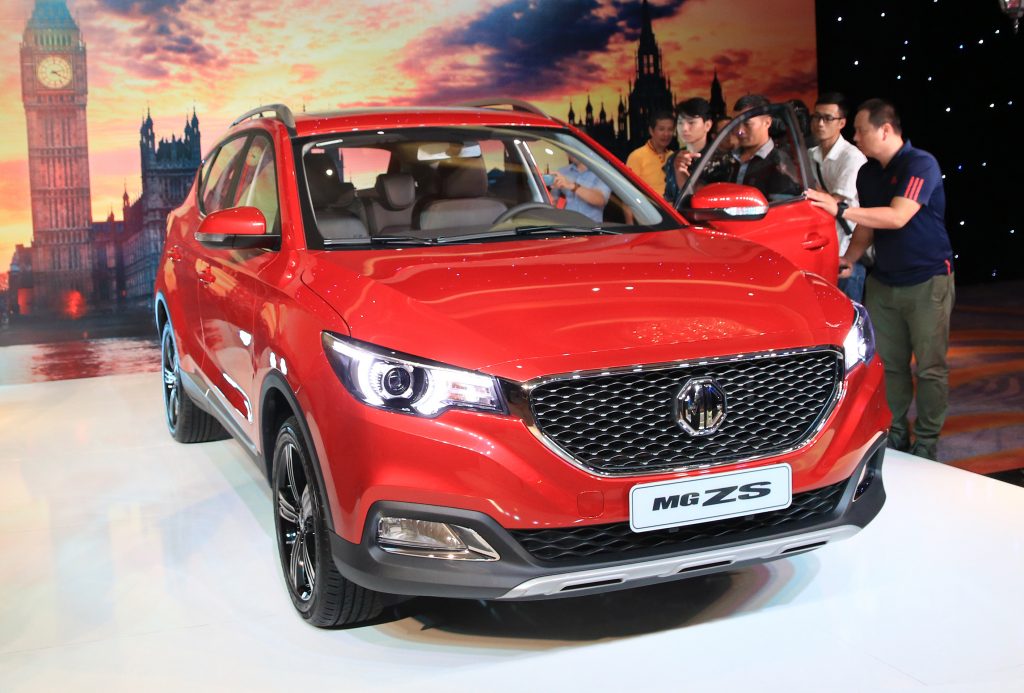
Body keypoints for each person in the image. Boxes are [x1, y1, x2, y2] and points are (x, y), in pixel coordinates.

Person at [805, 98, 954, 461]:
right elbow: (867, 225)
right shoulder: (868, 173)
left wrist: (840, 208)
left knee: (930, 367)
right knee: (891, 365)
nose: (856, 137)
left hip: (926, 281)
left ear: (885, 130)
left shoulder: (920, 164)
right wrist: (850, 258)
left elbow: (897, 216)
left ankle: (927, 439)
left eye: (861, 130)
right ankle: (897, 432)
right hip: (884, 282)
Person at [808, 92, 868, 301]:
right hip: (821, 246)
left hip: (847, 247)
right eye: (817, 117)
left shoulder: (852, 156)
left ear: (842, 123)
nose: (820, 123)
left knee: (848, 310)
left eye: (828, 118)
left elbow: (833, 202)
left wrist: (817, 193)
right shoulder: (811, 154)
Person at [728, 94, 802, 199]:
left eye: (747, 124)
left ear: (767, 122)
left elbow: (781, 206)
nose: (739, 131)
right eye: (735, 124)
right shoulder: (729, 159)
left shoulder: (779, 163)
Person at [664, 97, 713, 203]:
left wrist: (681, 172)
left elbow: (707, 198)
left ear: (707, 125)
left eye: (691, 123)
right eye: (680, 123)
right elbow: (669, 197)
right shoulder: (673, 158)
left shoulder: (719, 159)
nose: (684, 128)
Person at [625, 110, 675, 194]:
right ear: (651, 131)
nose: (666, 134)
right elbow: (628, 191)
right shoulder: (637, 156)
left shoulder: (673, 157)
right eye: (661, 129)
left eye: (670, 129)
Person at [551, 156, 611, 223]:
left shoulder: (602, 174)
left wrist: (571, 186)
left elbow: (600, 199)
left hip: (590, 227)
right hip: (565, 225)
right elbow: (553, 200)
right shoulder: (562, 171)